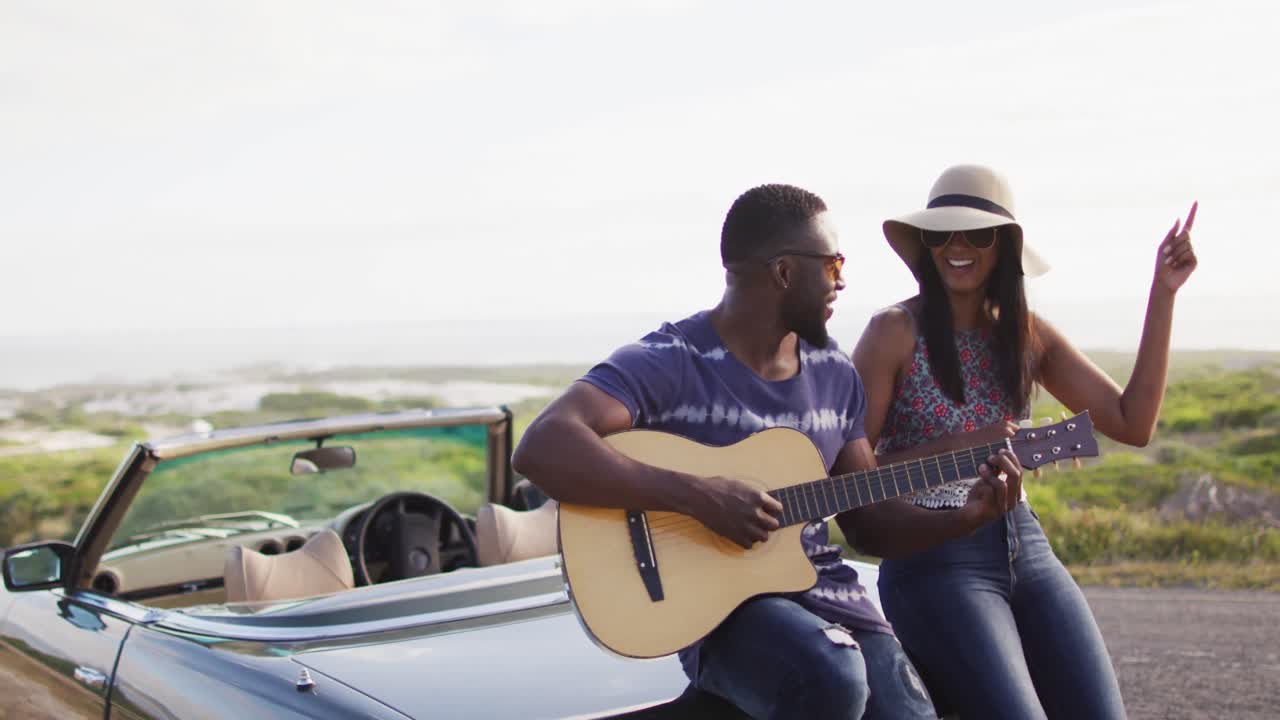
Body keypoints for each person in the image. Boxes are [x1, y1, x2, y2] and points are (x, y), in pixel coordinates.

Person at [513, 183, 1022, 719]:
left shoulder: (834, 373)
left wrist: (963, 520)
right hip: (718, 614)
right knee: (832, 674)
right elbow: (544, 445)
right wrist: (697, 496)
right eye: (832, 265)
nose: (842, 281)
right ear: (783, 272)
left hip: (827, 600)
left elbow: (870, 525)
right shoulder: (670, 360)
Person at [845, 164, 1198, 719]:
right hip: (934, 559)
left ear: (1003, 247)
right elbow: (849, 472)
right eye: (942, 234)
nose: (957, 247)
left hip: (1024, 547)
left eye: (976, 234)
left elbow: (1133, 421)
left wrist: (1164, 292)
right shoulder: (893, 331)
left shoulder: (1026, 333)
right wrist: (960, 448)